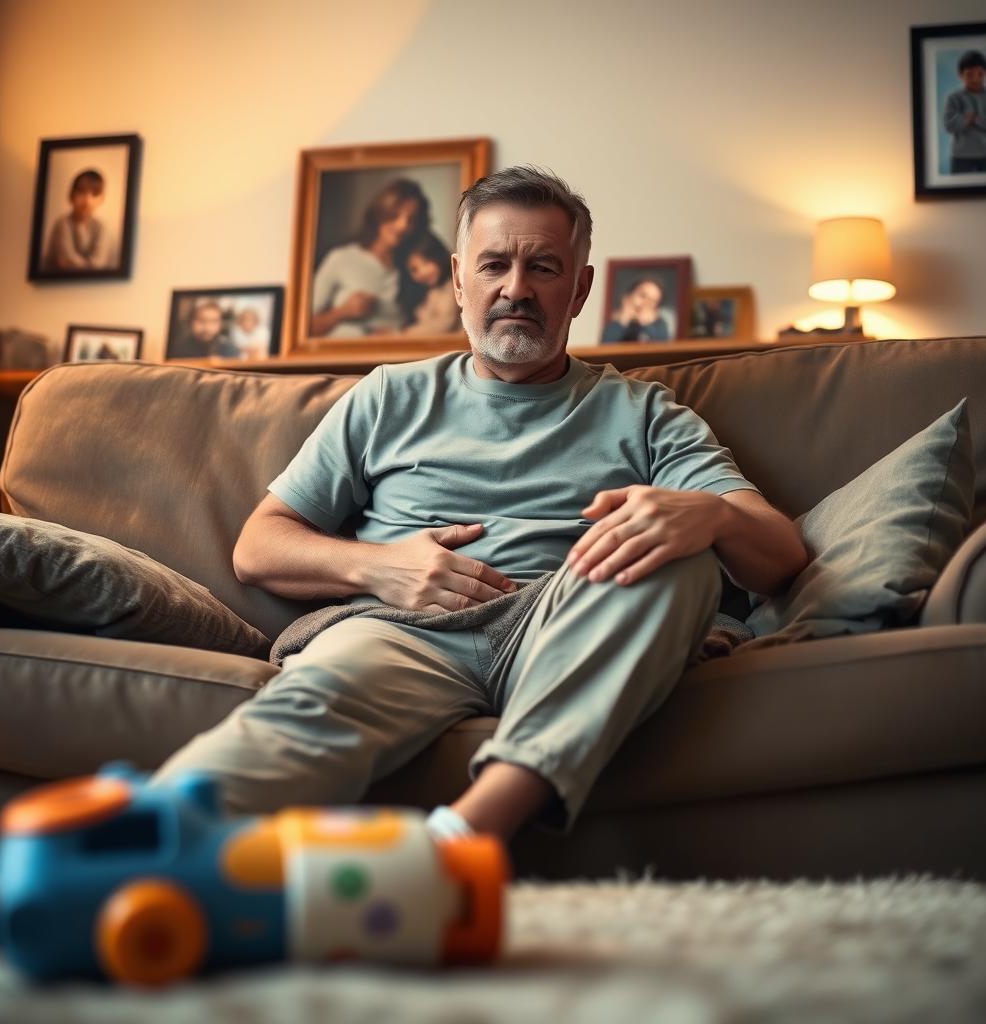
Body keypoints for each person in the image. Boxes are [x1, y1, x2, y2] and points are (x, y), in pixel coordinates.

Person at [154, 166, 808, 845]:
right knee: (303, 709)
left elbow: (781, 554)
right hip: (403, 630)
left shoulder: (644, 414)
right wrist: (379, 567)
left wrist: (716, 516)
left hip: (570, 626)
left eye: (544, 268)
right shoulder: (388, 397)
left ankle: (461, 841)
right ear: (458, 279)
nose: (516, 289)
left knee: (682, 560)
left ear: (579, 288)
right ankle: (143, 842)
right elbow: (258, 546)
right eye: (494, 265)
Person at [310, 178, 431, 339]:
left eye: (411, 219)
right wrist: (343, 312)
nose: (402, 225)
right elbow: (302, 330)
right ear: (379, 214)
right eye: (394, 215)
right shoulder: (340, 258)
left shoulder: (418, 269)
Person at [943, 49, 986, 174]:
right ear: (960, 75)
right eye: (969, 75)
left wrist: (976, 119)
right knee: (960, 192)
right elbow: (949, 125)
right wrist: (965, 119)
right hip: (961, 156)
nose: (975, 79)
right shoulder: (954, 98)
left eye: (980, 74)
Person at [42, 168, 115, 271]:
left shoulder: (102, 227)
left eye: (94, 194)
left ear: (102, 198)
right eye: (81, 192)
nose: (87, 200)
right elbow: (65, 261)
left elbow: (99, 263)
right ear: (71, 195)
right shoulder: (62, 223)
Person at [400, 231, 462, 335]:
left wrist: (404, 334)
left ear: (438, 256)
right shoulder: (433, 290)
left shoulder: (451, 287)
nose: (422, 272)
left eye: (426, 262)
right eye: (414, 269)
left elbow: (444, 324)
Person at [602, 278, 671, 342]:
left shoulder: (660, 326)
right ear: (628, 296)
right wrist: (623, 322)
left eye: (652, 301)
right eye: (643, 296)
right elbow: (606, 347)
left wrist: (646, 324)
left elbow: (660, 349)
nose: (646, 303)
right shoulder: (615, 325)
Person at [169, 300, 241, 359]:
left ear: (220, 324)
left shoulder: (229, 349)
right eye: (201, 320)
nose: (207, 327)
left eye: (214, 321)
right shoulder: (179, 348)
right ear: (190, 322)